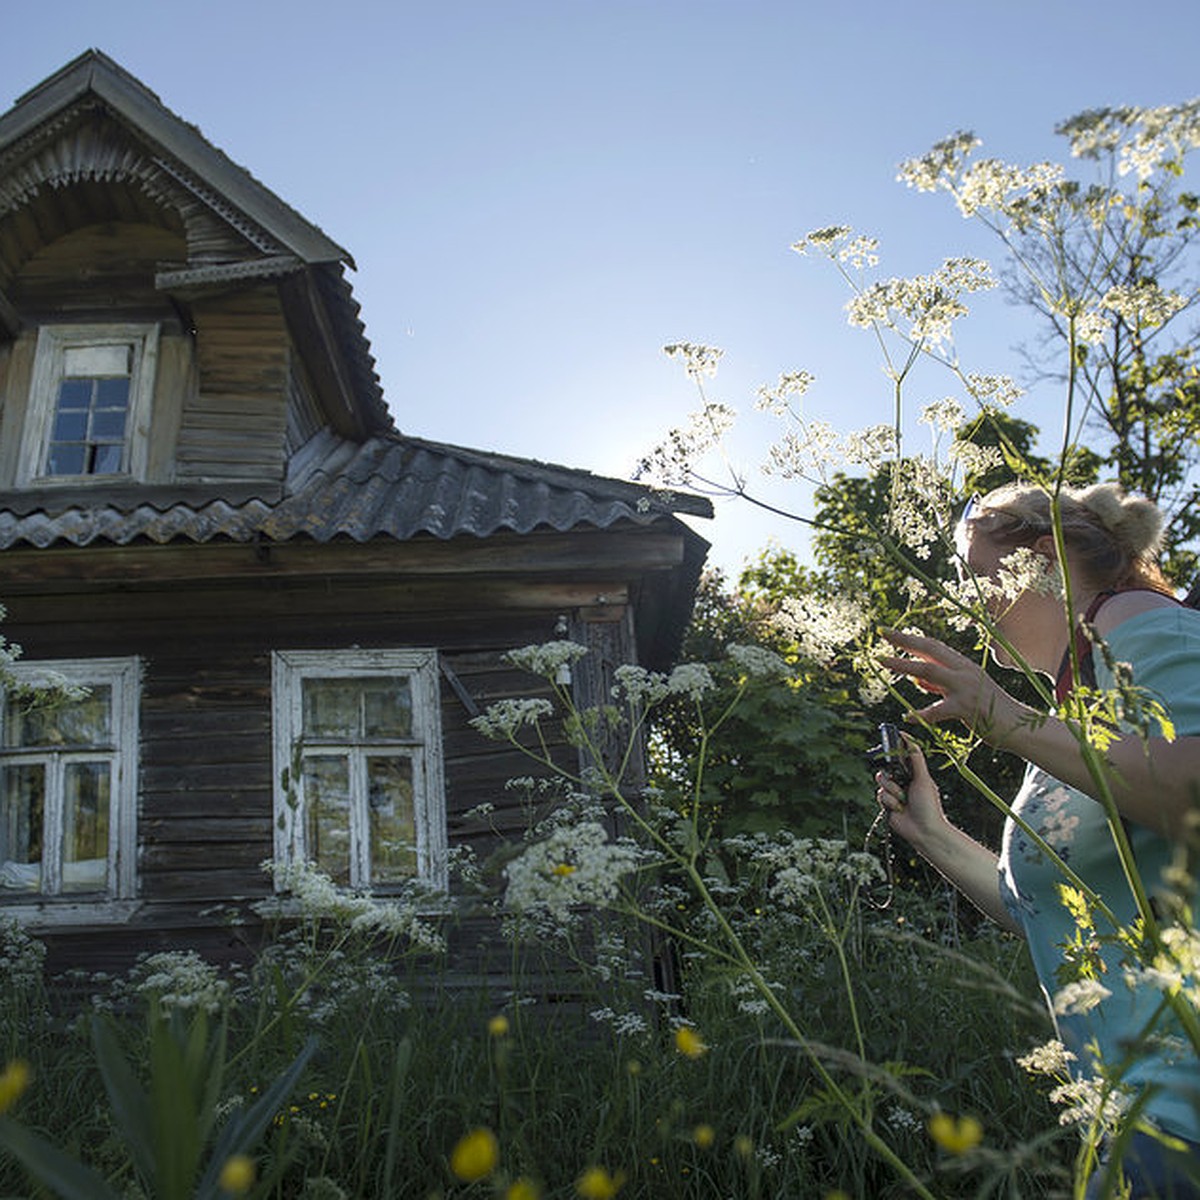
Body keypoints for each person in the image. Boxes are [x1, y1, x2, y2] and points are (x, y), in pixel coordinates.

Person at [875, 481, 1200, 1199]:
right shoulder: (1067, 706)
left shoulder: (1145, 626)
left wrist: (1002, 714)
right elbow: (1049, 910)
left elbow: (1191, 791)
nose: (956, 591)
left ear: (1042, 556)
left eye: (967, 568)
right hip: (1125, 1125)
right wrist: (933, 834)